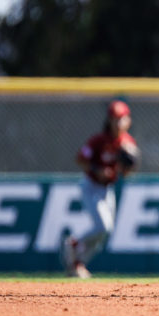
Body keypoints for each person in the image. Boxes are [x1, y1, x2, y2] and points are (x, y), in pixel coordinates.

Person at [62, 99, 139, 278]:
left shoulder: (127, 142)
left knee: (105, 231)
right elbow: (81, 159)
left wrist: (127, 165)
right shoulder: (99, 140)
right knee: (102, 226)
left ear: (128, 120)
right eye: (115, 119)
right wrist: (98, 170)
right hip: (91, 186)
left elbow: (126, 173)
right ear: (109, 121)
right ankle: (74, 244)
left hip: (107, 189)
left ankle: (77, 263)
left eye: (122, 119)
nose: (118, 123)